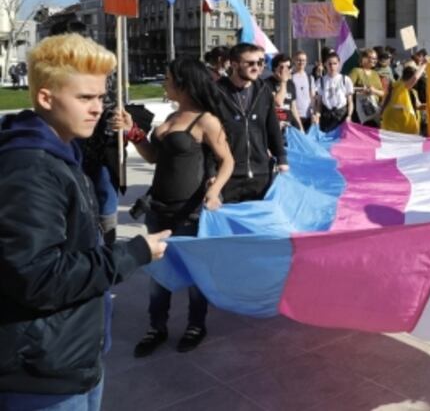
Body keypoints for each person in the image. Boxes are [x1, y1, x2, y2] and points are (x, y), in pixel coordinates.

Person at [0, 34, 169, 408]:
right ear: (46, 97)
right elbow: (38, 277)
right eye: (84, 98)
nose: (98, 109)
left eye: (100, 97)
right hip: (41, 372)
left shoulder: (59, 154)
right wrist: (133, 254)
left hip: (70, 353)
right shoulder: (31, 169)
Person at [112, 57, 234, 357]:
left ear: (184, 82)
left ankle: (196, 324)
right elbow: (153, 157)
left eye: (168, 78)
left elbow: (227, 160)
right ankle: (157, 327)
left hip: (189, 210)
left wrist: (215, 191)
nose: (164, 83)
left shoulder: (206, 120)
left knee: (194, 273)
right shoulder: (170, 118)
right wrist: (133, 132)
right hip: (158, 208)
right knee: (158, 272)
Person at [213, 43, 288, 203]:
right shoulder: (217, 92)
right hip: (228, 176)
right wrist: (210, 174)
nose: (257, 67)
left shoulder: (263, 90)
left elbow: (272, 127)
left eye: (260, 63)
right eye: (251, 63)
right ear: (234, 65)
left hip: (261, 174)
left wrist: (281, 158)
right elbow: (208, 138)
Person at [380, 58, 428, 134]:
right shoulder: (397, 86)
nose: (416, 83)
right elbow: (415, 78)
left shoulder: (412, 92)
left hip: (407, 128)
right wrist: (424, 65)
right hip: (394, 128)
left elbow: (418, 106)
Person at [314, 51, 354, 132]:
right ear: (325, 64)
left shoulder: (345, 79)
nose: (332, 66)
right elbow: (319, 104)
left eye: (334, 63)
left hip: (342, 117)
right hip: (326, 118)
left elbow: (350, 102)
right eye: (329, 64)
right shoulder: (320, 81)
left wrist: (349, 115)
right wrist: (317, 115)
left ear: (338, 64)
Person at [267, 53, 305, 131]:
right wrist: (283, 82)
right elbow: (278, 102)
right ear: (274, 68)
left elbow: (293, 108)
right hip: (277, 126)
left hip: (291, 125)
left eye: (288, 67)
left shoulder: (290, 84)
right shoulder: (267, 84)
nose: (285, 70)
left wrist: (301, 128)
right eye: (281, 67)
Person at [349, 48, 385, 126]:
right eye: (372, 58)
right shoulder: (356, 71)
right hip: (360, 112)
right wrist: (361, 89)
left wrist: (374, 91)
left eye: (376, 58)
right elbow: (347, 88)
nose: (374, 60)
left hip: (374, 111)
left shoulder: (375, 74)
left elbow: (382, 93)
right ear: (363, 59)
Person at [291, 50, 316, 129]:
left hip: (308, 116)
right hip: (294, 116)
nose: (301, 62)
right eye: (299, 60)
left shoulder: (310, 78)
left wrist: (313, 113)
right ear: (294, 61)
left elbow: (312, 97)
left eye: (303, 60)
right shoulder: (290, 78)